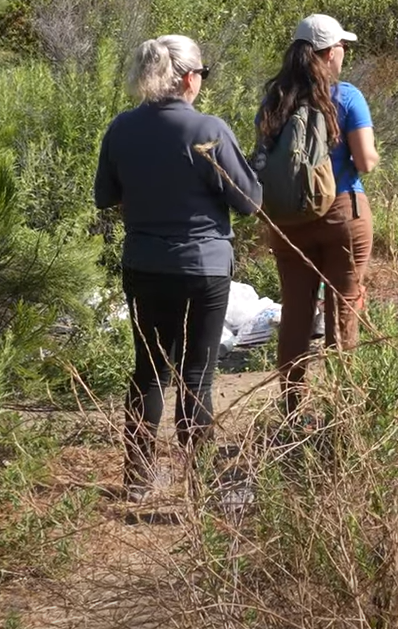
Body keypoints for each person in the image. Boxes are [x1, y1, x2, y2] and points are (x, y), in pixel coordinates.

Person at [94, 35, 262, 503]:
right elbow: (249, 201)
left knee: (147, 372)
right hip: (203, 267)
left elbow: (105, 196)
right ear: (189, 77)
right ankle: (202, 484)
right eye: (202, 75)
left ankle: (138, 478)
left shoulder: (121, 128)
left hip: (145, 262)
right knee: (198, 375)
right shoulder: (207, 129)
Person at [260, 14, 379, 421]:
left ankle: (293, 410)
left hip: (287, 221)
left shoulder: (274, 98)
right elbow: (365, 159)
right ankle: (343, 411)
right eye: (342, 46)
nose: (344, 52)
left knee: (295, 313)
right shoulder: (346, 97)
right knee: (343, 309)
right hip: (342, 213)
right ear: (330, 53)